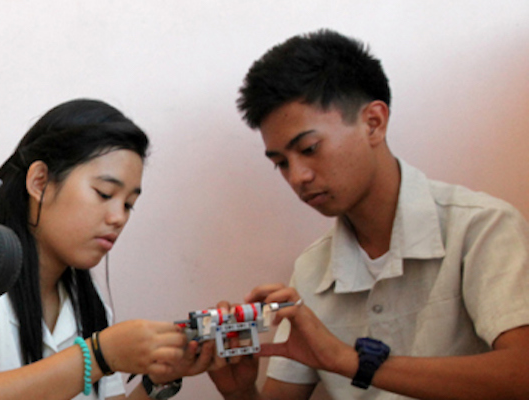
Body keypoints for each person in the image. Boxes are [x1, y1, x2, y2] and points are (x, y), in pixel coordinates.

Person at [208, 29, 529, 400]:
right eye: (280, 163)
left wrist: (348, 360)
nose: (297, 177)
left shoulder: (481, 227)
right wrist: (242, 391)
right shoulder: (312, 270)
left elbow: (522, 372)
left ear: (373, 122)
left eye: (309, 148)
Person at [0, 99, 214, 400]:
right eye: (104, 193)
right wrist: (99, 356)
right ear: (40, 182)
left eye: (128, 205)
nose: (118, 217)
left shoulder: (88, 303)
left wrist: (157, 381)